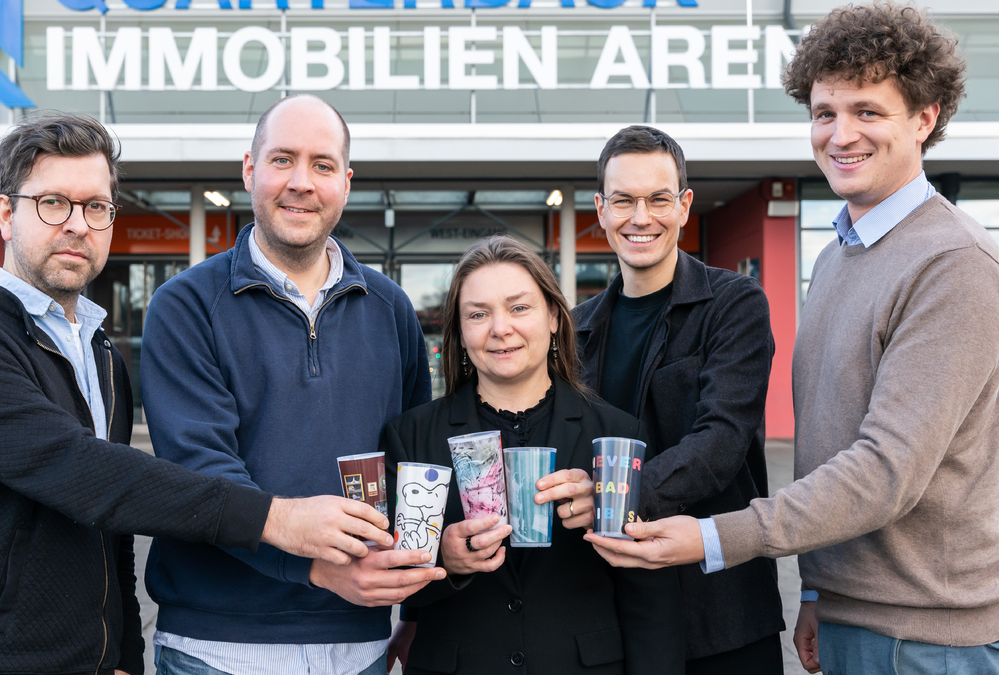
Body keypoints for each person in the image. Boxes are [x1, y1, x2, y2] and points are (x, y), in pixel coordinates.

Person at [587, 4, 999, 675]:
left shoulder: (953, 263)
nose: (840, 134)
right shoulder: (841, 254)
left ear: (925, 117)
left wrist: (713, 535)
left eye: (867, 111)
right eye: (825, 113)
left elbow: (883, 471)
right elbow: (830, 442)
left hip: (932, 635)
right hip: (860, 613)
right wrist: (818, 587)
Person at [0, 112, 395, 675]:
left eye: (96, 208)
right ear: (6, 213)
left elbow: (113, 528)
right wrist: (278, 520)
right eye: (53, 203)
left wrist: (121, 654)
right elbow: (84, 475)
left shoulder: (100, 354)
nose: (76, 225)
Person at [139, 94, 441, 675]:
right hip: (214, 646)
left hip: (359, 643)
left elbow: (413, 467)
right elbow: (199, 471)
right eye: (282, 160)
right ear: (249, 170)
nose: (301, 182)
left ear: (346, 183)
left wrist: (420, 605)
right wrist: (312, 567)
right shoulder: (185, 306)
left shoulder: (391, 309)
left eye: (322, 165)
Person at [381, 236, 685, 675]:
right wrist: (444, 561)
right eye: (478, 314)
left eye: (519, 308)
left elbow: (650, 596)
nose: (500, 328)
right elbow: (390, 582)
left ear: (556, 318)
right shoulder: (410, 436)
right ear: (460, 333)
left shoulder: (618, 435)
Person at [571, 125, 784, 674]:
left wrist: (610, 498)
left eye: (658, 199)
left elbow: (721, 440)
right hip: (608, 613)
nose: (640, 217)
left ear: (685, 205)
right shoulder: (576, 329)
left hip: (718, 611)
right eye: (623, 200)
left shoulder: (733, 305)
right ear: (601, 208)